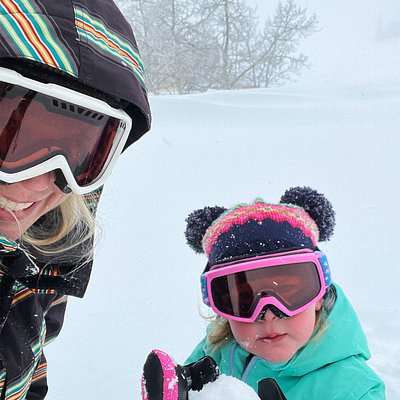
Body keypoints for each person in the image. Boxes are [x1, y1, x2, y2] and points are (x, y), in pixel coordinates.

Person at [0, 0, 151, 398]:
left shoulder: (34, 270)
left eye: (77, 156)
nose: (31, 186)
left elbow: (27, 383)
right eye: (8, 136)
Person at [183, 186, 385, 399]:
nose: (268, 313)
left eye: (288, 291)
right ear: (222, 307)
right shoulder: (215, 353)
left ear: (318, 295)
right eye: (244, 299)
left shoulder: (355, 390)